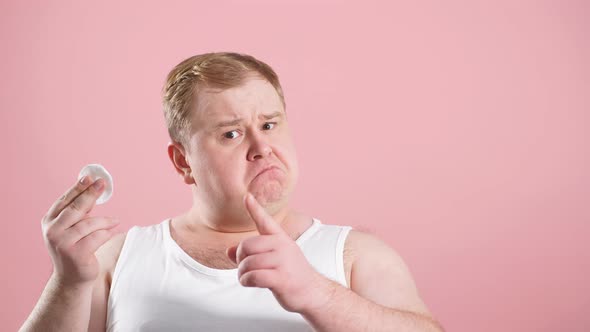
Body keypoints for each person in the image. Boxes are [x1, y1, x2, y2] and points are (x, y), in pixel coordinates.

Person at [20, 52, 445, 331]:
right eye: (231, 133)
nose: (262, 149)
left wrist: (319, 294)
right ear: (183, 161)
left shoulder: (355, 255)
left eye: (269, 124)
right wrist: (69, 282)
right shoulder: (115, 260)